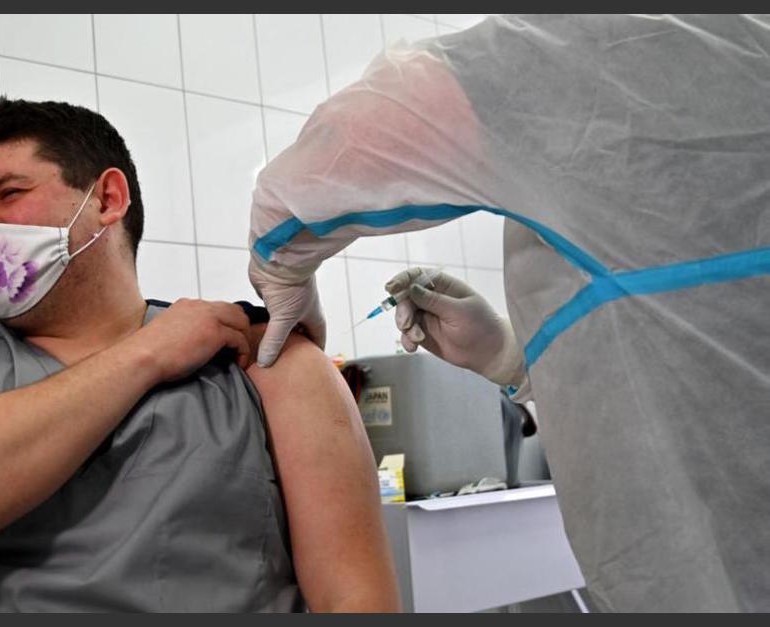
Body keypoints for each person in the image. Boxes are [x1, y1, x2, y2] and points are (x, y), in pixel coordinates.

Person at [247, 14, 770, 611]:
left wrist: (277, 268)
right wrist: (513, 358)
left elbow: (343, 148)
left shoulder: (612, 41)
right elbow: (704, 335)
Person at [0, 98, 400, 612]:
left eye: (8, 193)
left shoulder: (259, 357)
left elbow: (356, 599)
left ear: (108, 199)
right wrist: (150, 352)